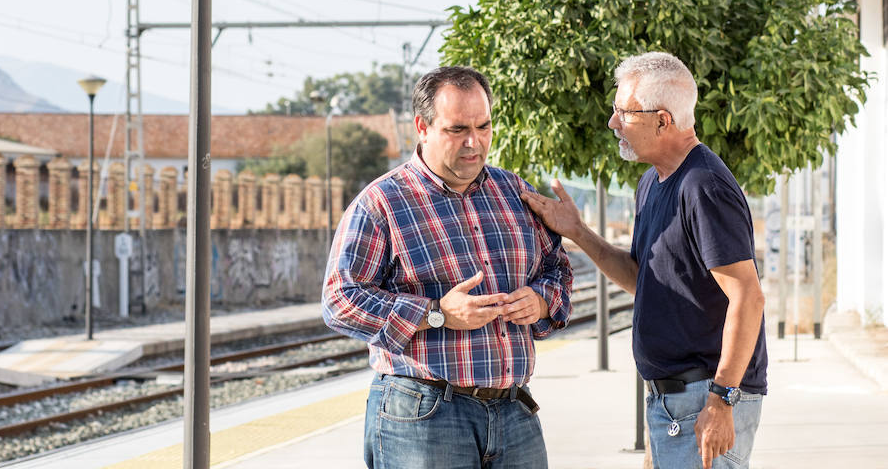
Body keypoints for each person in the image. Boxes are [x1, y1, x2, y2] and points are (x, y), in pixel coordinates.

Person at [521, 52, 767, 469]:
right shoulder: (652, 183)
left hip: (705, 397)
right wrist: (577, 232)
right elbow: (643, 279)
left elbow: (748, 296)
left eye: (623, 112)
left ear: (662, 120)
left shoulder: (703, 186)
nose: (613, 123)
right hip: (672, 401)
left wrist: (721, 400)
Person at [322, 65, 573, 469]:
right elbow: (339, 300)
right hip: (425, 417)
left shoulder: (515, 192)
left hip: (514, 412)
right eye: (457, 129)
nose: (474, 142)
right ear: (422, 126)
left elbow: (557, 267)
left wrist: (541, 302)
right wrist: (436, 314)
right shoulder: (381, 203)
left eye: (484, 126)